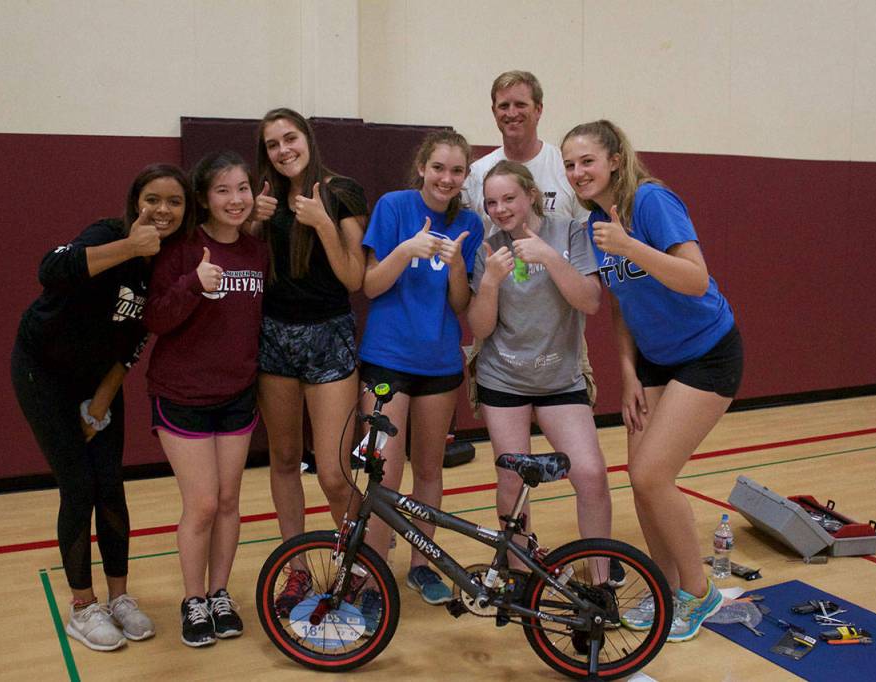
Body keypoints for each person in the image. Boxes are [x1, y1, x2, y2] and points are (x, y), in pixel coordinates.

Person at [562, 120, 743, 642]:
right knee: (638, 477)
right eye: (570, 165)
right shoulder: (596, 221)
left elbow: (695, 278)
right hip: (653, 362)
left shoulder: (650, 202)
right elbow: (623, 303)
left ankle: (699, 591)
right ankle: (666, 591)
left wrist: (627, 243)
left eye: (587, 161)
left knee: (651, 475)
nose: (577, 173)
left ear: (615, 158)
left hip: (708, 353)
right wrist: (627, 372)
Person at [12, 163, 193, 651]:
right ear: (136, 201)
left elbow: (137, 337)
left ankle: (119, 598)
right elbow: (49, 268)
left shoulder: (168, 260)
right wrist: (130, 247)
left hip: (97, 380)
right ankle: (82, 606)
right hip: (42, 371)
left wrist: (103, 399)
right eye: (153, 199)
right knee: (79, 486)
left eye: (174, 202)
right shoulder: (109, 234)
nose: (162, 210)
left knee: (110, 484)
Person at [466, 161, 615, 579]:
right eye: (491, 202)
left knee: (590, 473)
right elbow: (480, 328)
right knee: (512, 480)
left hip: (559, 379)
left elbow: (589, 301)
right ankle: (520, 573)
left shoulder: (568, 232)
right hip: (504, 378)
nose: (499, 209)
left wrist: (549, 257)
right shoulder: (487, 247)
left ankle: (599, 576)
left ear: (531, 194)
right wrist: (492, 282)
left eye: (509, 198)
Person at [144, 151, 268, 647]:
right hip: (182, 395)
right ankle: (193, 599)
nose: (235, 199)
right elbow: (155, 318)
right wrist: (193, 284)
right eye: (223, 190)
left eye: (242, 189)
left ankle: (220, 593)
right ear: (203, 198)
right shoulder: (180, 250)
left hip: (236, 394)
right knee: (201, 504)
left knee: (230, 502)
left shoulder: (257, 252)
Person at [249, 109, 369, 615]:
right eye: (272, 144)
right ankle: (296, 571)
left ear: (307, 138)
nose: (282, 150)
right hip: (275, 340)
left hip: (329, 338)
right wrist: (252, 221)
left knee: (335, 473)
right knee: (282, 461)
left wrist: (321, 223)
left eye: (290, 137)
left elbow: (353, 278)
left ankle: (358, 573)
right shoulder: (262, 200)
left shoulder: (341, 191)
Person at [359, 130, 484, 605]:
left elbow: (460, 304)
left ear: (465, 176)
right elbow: (370, 285)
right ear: (422, 168)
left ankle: (422, 565)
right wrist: (406, 250)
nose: (446, 179)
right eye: (439, 168)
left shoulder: (469, 223)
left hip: (439, 363)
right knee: (382, 475)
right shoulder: (393, 207)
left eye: (456, 171)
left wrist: (455, 267)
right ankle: (373, 579)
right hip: (387, 361)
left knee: (429, 469)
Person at [462, 70, 590, 235]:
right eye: (504, 106)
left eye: (520, 105)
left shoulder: (567, 167)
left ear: (538, 110)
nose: (512, 113)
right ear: (494, 112)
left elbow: (586, 234)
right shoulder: (476, 173)